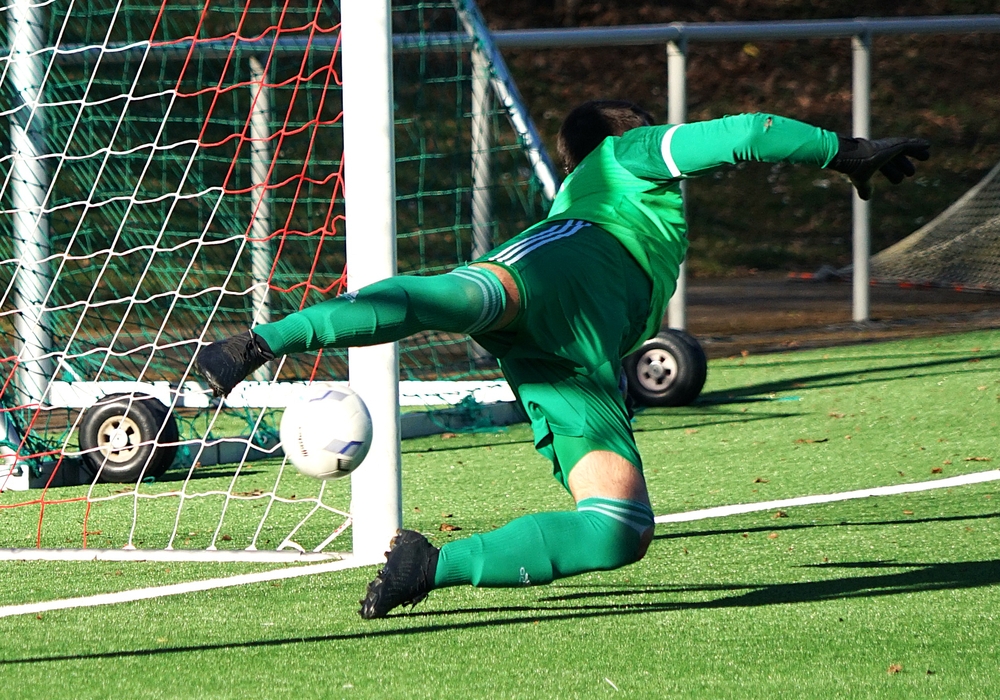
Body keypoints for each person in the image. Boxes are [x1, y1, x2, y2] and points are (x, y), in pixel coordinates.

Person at [195, 101, 930, 619]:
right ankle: (260, 342)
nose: (665, 137)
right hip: (555, 276)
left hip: (572, 360)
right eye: (650, 125)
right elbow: (745, 133)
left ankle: (430, 565)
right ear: (625, 135)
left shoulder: (613, 188)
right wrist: (844, 151)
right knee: (441, 298)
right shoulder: (623, 156)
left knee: (619, 529)